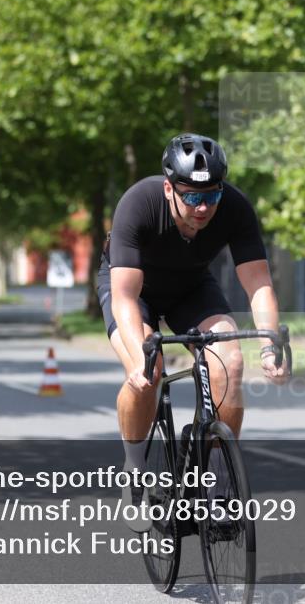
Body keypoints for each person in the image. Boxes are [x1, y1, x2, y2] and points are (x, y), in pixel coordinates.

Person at [97, 133, 289, 529]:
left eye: (211, 197)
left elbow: (258, 284)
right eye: (191, 197)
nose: (202, 208)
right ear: (169, 187)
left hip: (190, 287)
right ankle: (134, 471)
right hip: (134, 290)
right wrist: (139, 358)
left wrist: (270, 344)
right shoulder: (139, 203)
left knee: (230, 362)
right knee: (148, 373)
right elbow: (125, 298)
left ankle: (217, 481)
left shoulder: (234, 207)